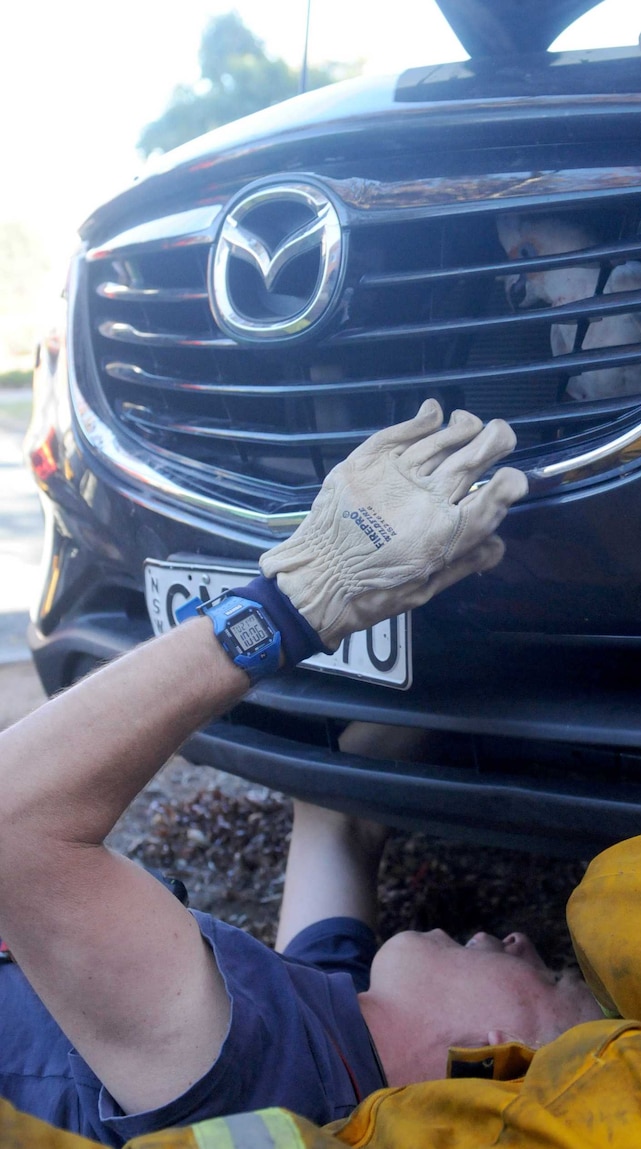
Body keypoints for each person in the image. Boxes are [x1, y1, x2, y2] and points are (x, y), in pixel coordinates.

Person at [0, 399, 602, 1144]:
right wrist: (483, 632)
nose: (518, 940)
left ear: (490, 1054)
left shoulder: (252, 1073)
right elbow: (337, 819)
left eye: (546, 975)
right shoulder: (340, 1035)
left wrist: (297, 600)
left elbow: (10, 821)